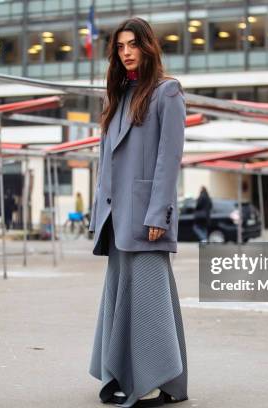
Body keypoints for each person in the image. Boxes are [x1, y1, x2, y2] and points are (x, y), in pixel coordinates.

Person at [87, 17, 188, 407]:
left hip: (146, 218)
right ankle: (135, 377)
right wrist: (99, 216)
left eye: (133, 44)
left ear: (148, 46)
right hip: (116, 219)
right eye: (120, 47)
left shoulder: (168, 92)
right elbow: (106, 165)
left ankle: (156, 381)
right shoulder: (118, 96)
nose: (126, 52)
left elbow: (169, 160)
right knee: (124, 298)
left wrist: (157, 216)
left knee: (151, 303)